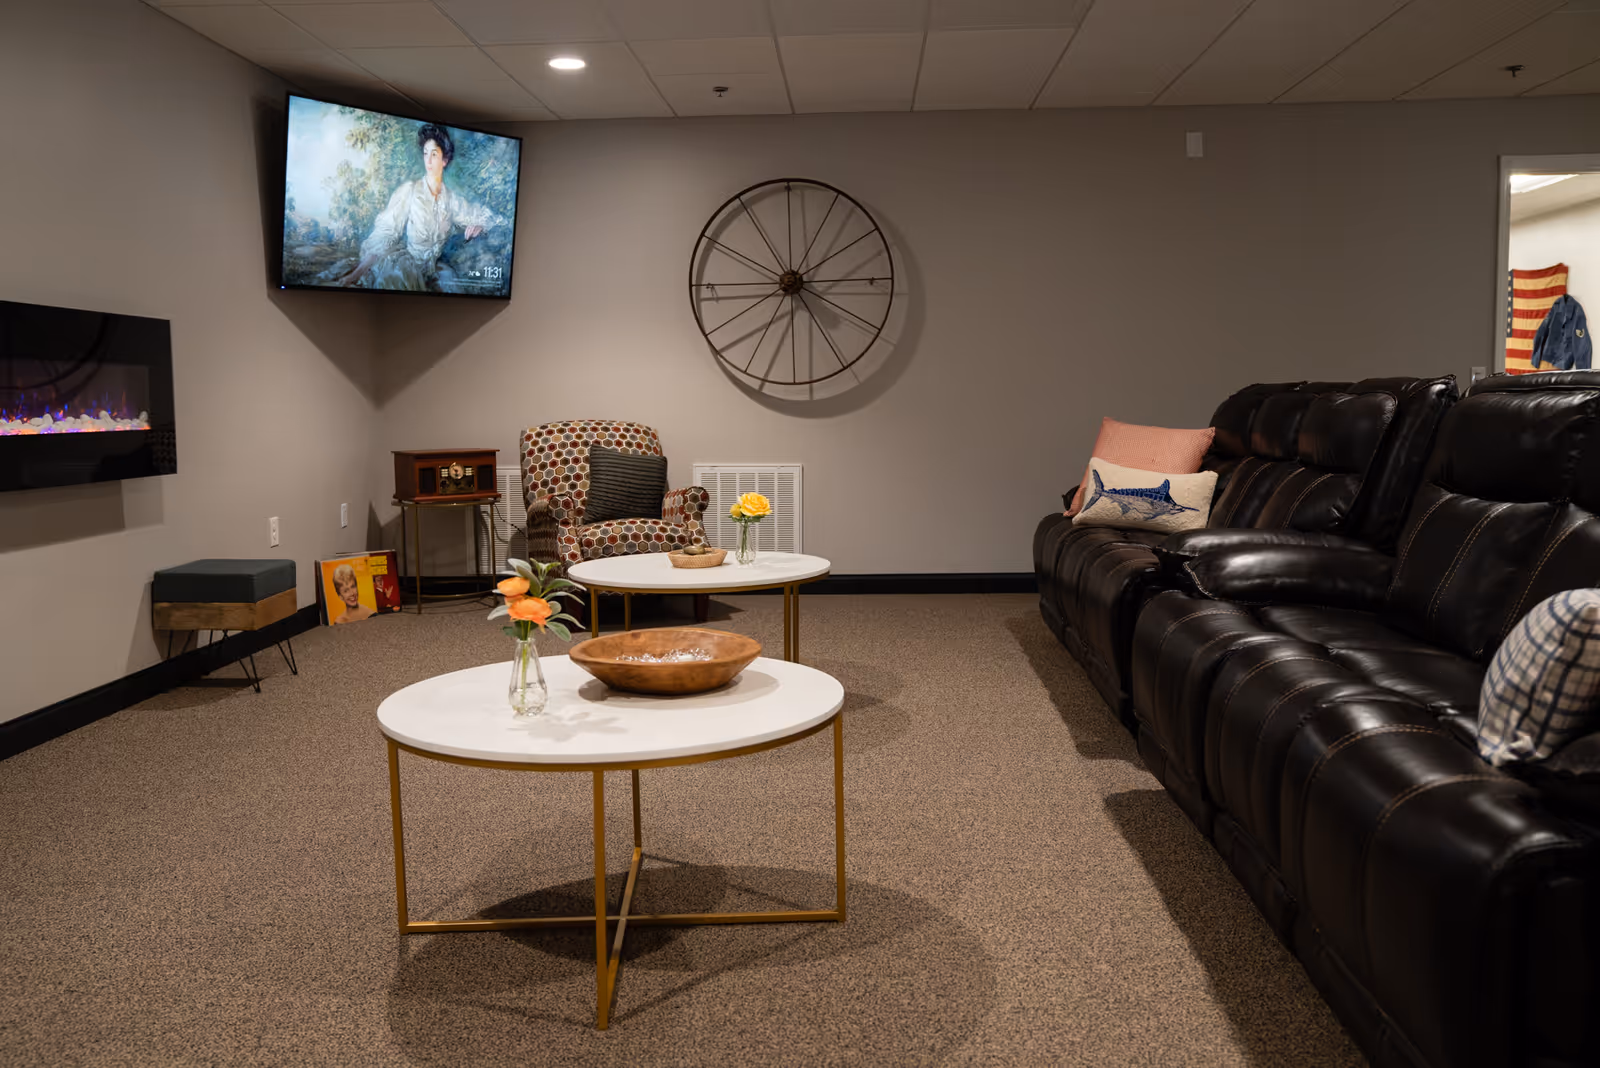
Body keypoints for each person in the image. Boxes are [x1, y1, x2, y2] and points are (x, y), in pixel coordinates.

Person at [338, 124, 505, 293]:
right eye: (426, 154)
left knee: (454, 286)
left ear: (445, 160)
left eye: (434, 154)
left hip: (432, 270)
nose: (429, 160)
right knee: (400, 278)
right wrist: (357, 273)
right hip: (406, 265)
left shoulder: (451, 199)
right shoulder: (409, 190)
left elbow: (482, 216)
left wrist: (480, 226)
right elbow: (386, 232)